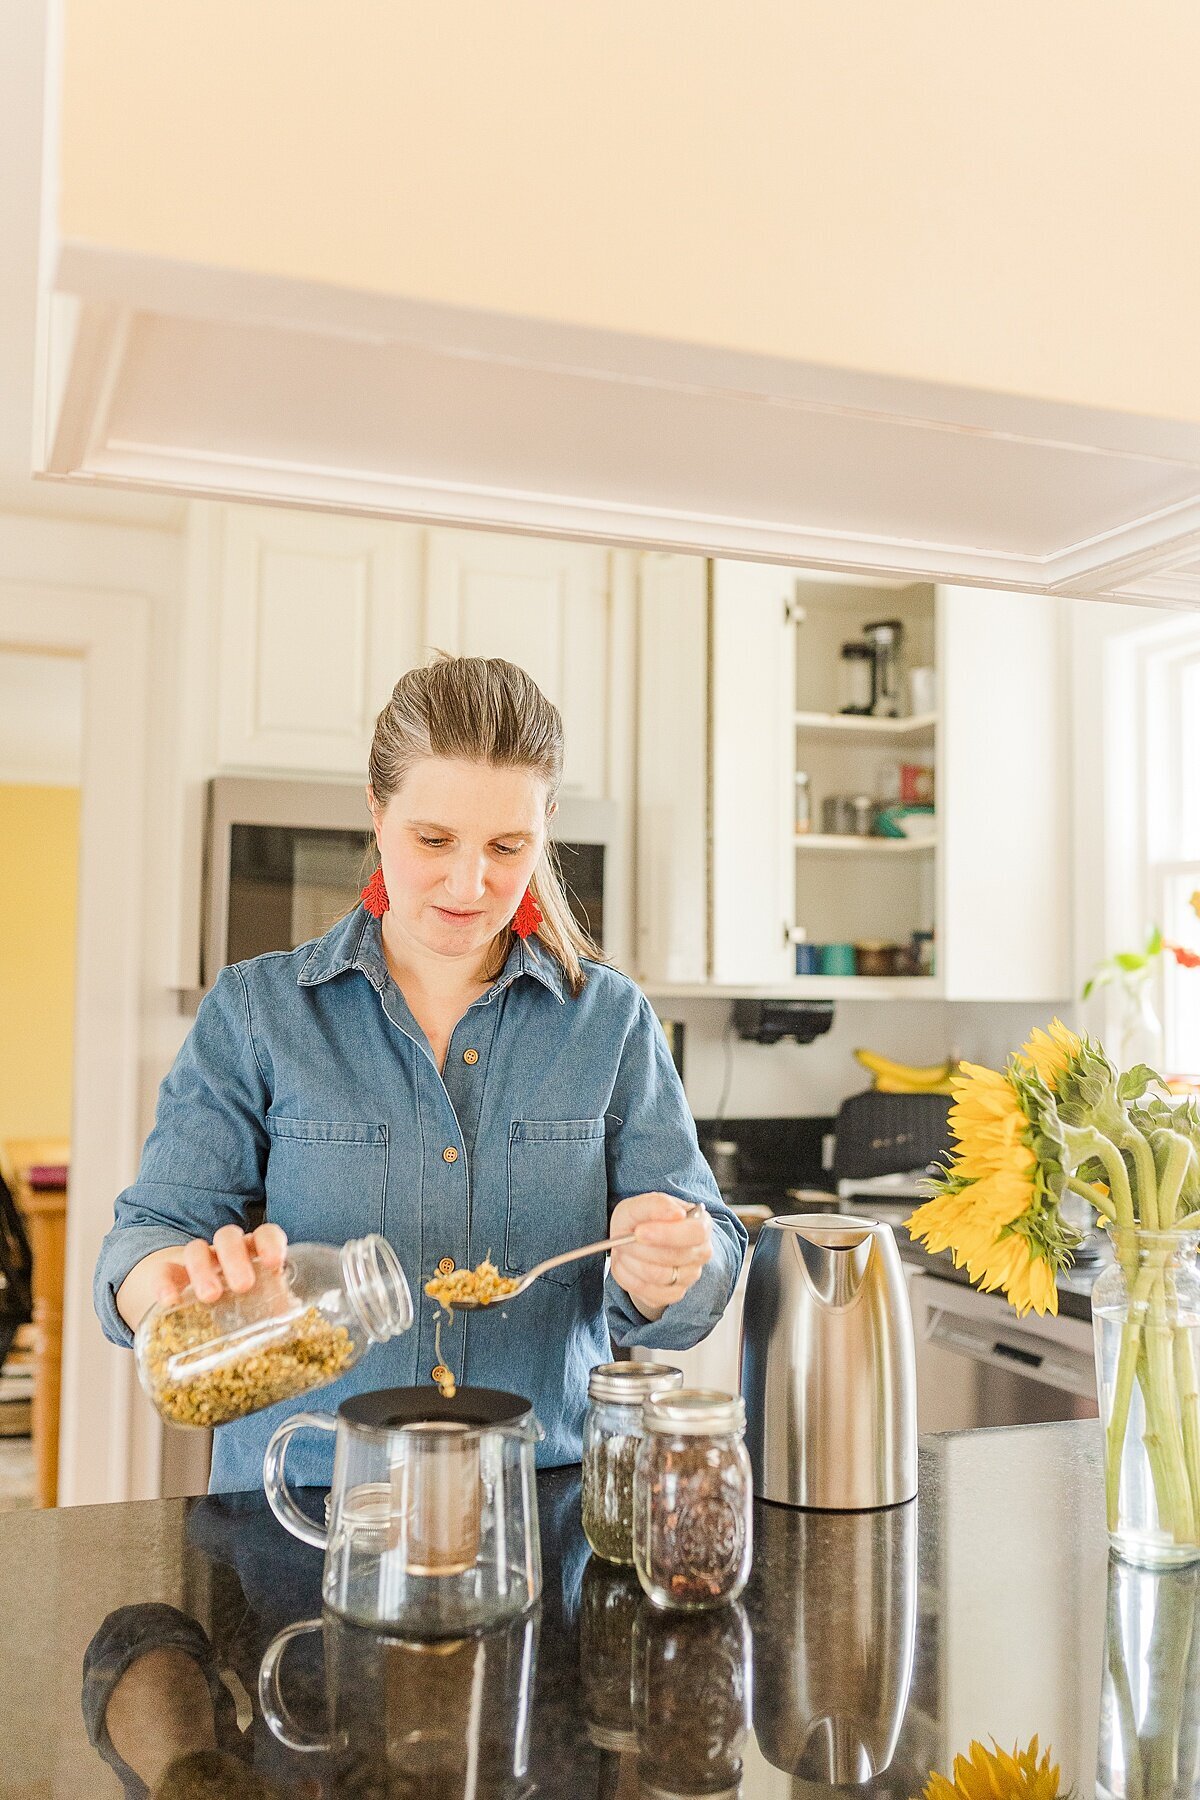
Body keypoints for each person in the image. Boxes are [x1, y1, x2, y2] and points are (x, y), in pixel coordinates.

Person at [94, 654, 746, 1492]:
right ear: (377, 811)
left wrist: (674, 1268)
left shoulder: (608, 1020)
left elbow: (716, 1251)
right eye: (433, 839)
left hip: (540, 1506)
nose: (469, 884)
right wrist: (179, 1285)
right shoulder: (259, 1012)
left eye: (508, 846)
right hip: (301, 1507)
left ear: (546, 825)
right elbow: (140, 1243)